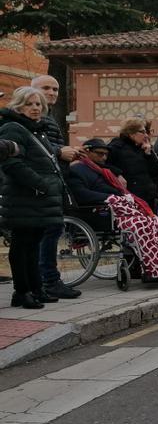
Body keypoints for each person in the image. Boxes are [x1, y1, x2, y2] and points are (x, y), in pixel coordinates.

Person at [0, 87, 65, 309]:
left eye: (38, 104)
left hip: (38, 198)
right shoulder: (13, 129)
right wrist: (41, 184)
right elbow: (11, 163)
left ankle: (36, 289)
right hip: (24, 197)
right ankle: (22, 292)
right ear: (18, 106)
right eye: (30, 104)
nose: (36, 108)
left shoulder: (37, 130)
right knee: (22, 245)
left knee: (34, 244)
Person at [30, 75, 83, 299]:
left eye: (55, 89)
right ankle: (47, 281)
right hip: (40, 183)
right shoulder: (33, 115)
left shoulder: (49, 117)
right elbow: (30, 144)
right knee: (47, 232)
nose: (51, 92)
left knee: (51, 231)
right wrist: (59, 151)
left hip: (53, 179)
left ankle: (45, 281)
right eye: (46, 88)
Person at [107, 118, 158, 210]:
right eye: (142, 132)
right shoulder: (116, 146)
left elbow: (157, 172)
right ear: (131, 133)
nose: (146, 135)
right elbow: (105, 165)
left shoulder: (143, 147)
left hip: (148, 197)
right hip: (130, 197)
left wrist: (149, 154)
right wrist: (117, 174)